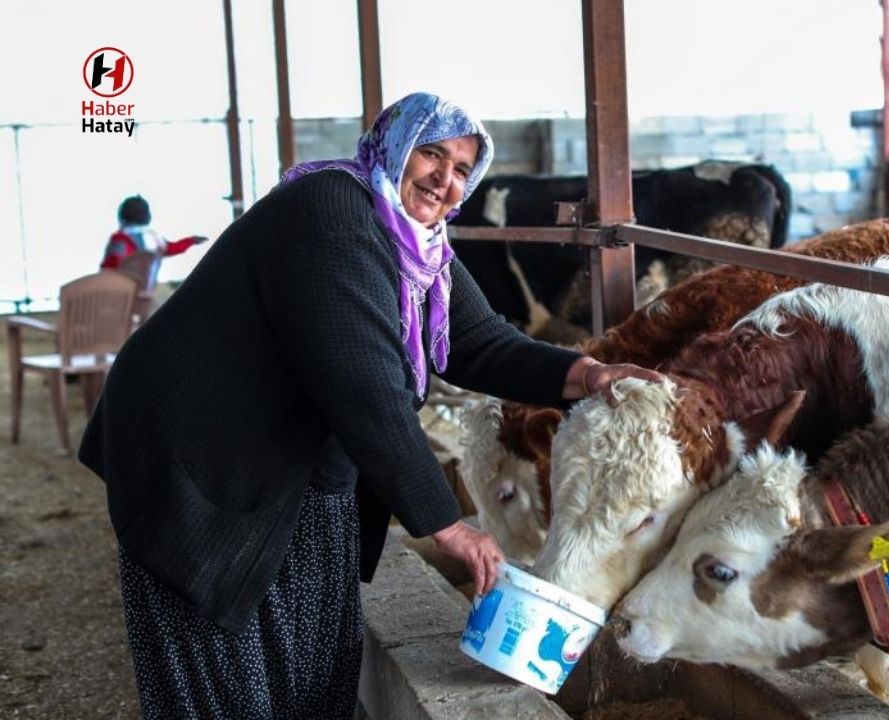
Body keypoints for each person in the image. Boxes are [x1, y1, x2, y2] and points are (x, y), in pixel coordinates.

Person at [78, 92, 664, 719]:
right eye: (431, 154)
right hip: (200, 457)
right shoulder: (333, 211)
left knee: (318, 655)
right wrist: (447, 524)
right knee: (219, 662)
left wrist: (589, 373)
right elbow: (363, 383)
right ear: (393, 146)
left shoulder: (418, 245)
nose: (445, 178)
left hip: (294, 460)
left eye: (463, 168)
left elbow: (478, 339)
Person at [100, 194, 208, 271]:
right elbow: (175, 248)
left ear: (122, 216)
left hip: (114, 290)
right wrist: (191, 240)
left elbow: (111, 264)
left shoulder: (120, 238)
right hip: (142, 294)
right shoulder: (155, 240)